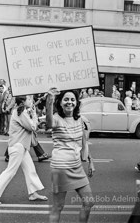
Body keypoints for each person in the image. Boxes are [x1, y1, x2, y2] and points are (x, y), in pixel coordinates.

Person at [0, 95, 48, 205]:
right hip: (18, 146)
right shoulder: (21, 112)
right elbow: (32, 127)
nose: (31, 101)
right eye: (29, 99)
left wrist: (32, 112)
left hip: (21, 146)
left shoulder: (20, 111)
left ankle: (33, 193)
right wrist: (35, 115)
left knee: (30, 169)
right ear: (23, 101)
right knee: (10, 171)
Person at [46, 88, 95, 223]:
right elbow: (49, 123)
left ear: (76, 102)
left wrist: (91, 160)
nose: (69, 102)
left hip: (76, 166)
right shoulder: (56, 118)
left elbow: (83, 142)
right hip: (60, 168)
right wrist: (49, 100)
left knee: (89, 202)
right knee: (58, 206)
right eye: (66, 99)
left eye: (72, 99)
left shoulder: (79, 119)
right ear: (60, 103)